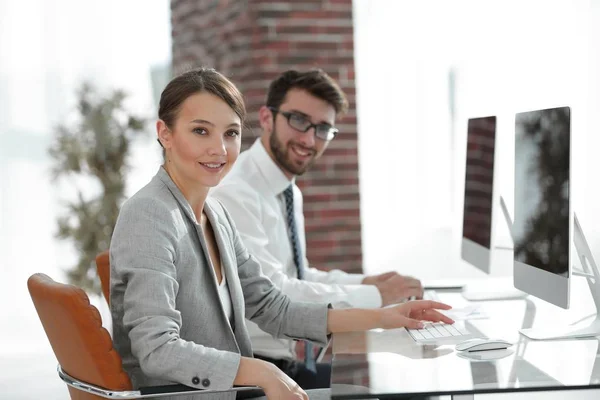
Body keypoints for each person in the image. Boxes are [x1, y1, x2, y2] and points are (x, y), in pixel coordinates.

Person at [109, 67, 453, 400]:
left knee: (373, 393)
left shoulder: (215, 213)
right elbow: (156, 349)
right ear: (165, 133)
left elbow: (273, 307)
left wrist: (383, 317)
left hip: (234, 392)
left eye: (230, 133)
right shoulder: (149, 214)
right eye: (201, 131)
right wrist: (262, 371)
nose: (220, 149)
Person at [210, 69, 424, 388]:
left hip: (287, 362)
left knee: (394, 385)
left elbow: (298, 274)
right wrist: (374, 295)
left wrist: (366, 282)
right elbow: (275, 293)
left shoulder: (287, 190)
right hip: (251, 372)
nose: (309, 139)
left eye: (322, 128)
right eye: (298, 120)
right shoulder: (236, 191)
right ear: (267, 118)